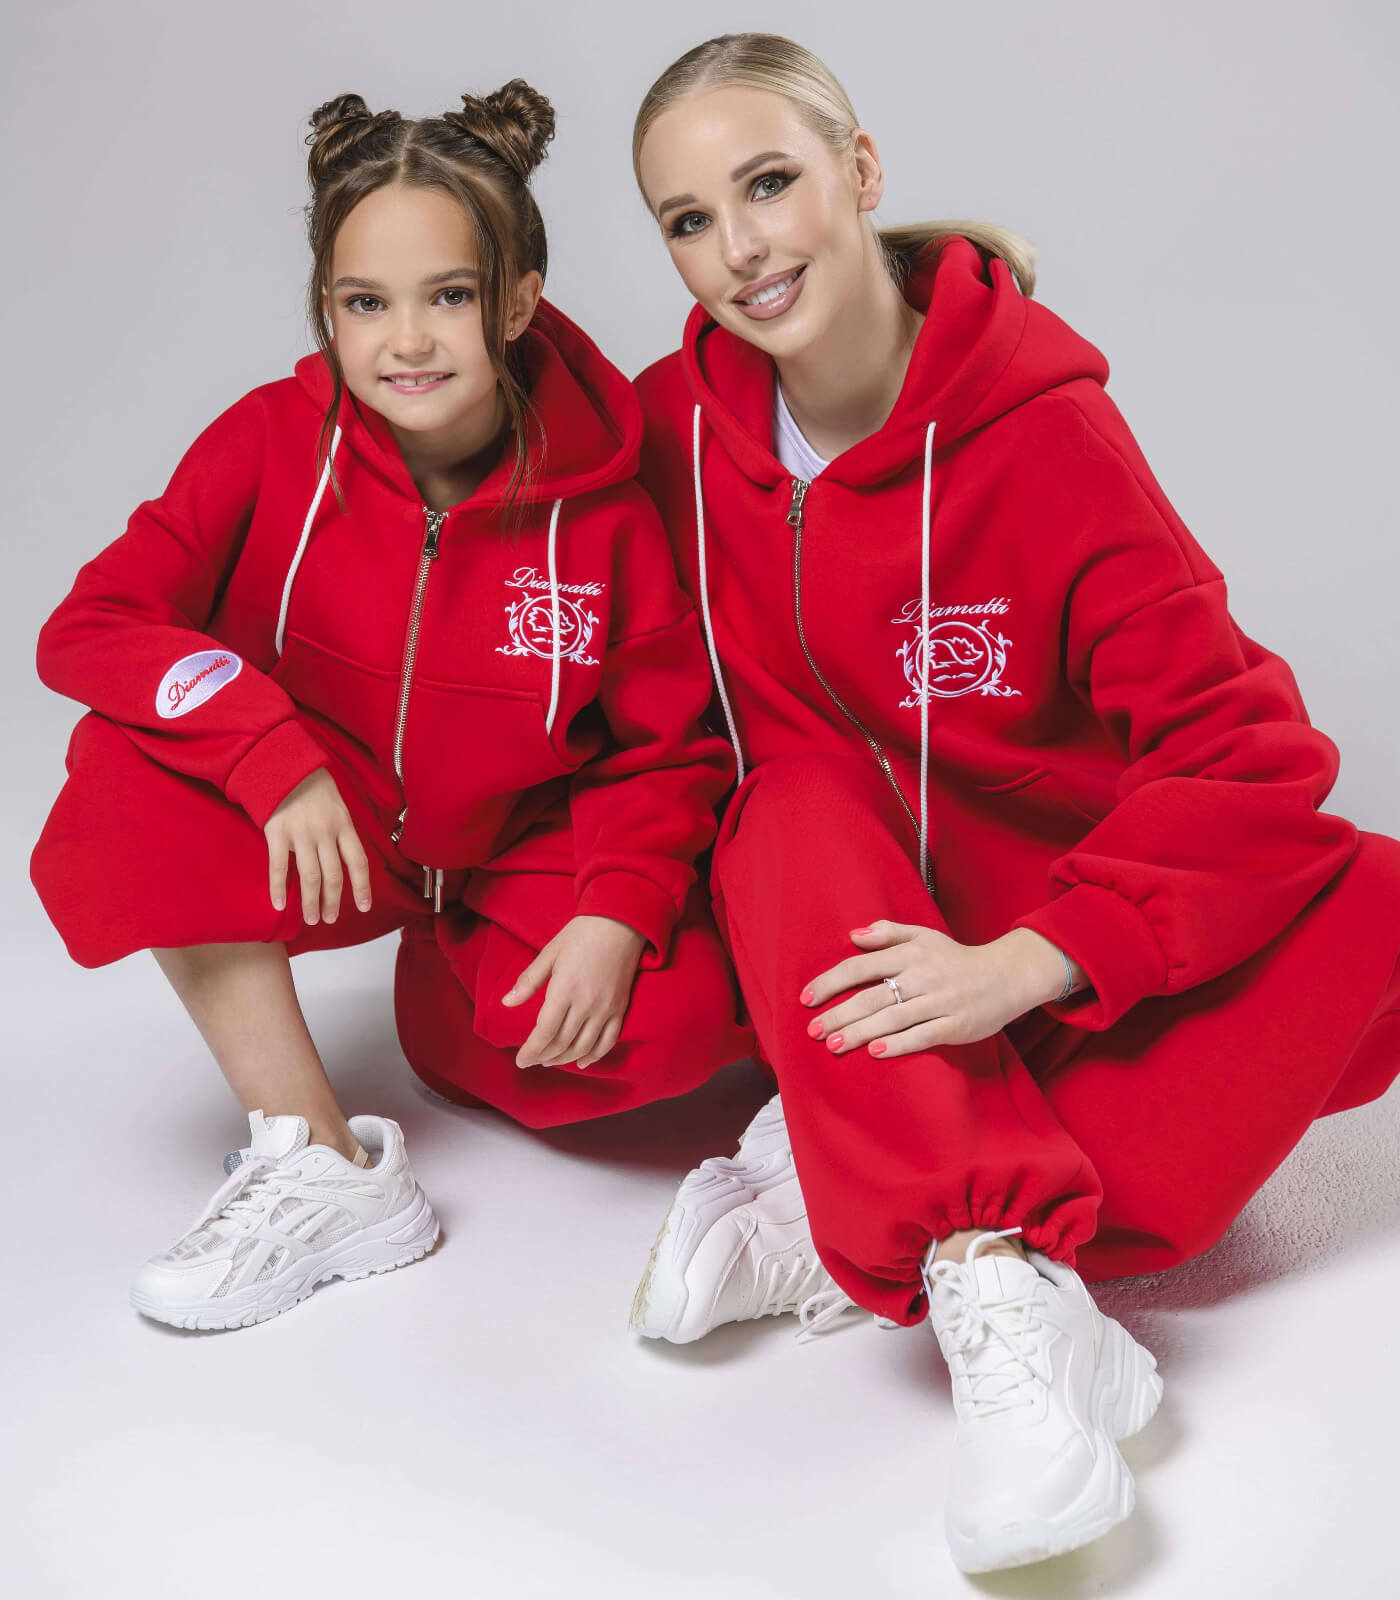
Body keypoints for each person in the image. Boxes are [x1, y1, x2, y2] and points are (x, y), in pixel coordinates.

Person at [623, 32, 1400, 1574]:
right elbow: (471, 467)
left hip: (1055, 968)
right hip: (860, 955)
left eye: (769, 184)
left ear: (861, 171)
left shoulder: (1043, 434)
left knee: (1376, 901)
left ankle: (870, 1202)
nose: (740, 250)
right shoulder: (673, 431)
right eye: (690, 220)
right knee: (788, 801)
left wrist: (1042, 957)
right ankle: (996, 1282)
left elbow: (1251, 754)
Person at [29, 81, 752, 1334]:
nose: (405, 341)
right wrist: (269, 753)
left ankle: (450, 988)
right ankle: (322, 1158)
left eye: (448, 297)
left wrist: (613, 915)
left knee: (663, 1026)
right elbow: (94, 623)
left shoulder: (606, 513)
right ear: (326, 305)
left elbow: (665, 749)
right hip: (334, 826)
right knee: (124, 772)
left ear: (517, 301)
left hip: (507, 847)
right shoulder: (269, 442)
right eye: (365, 303)